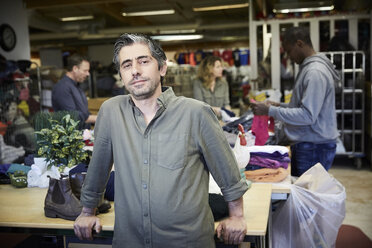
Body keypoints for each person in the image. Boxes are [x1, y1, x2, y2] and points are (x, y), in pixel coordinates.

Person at [73, 33, 249, 247]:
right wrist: (87, 211)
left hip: (186, 241)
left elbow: (228, 174)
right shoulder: (111, 112)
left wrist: (237, 217)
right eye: (126, 65)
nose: (135, 70)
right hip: (130, 241)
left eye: (143, 61)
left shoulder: (195, 113)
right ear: (121, 73)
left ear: (162, 68)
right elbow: (98, 168)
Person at [250, 27, 339, 177]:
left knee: (306, 195)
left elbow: (307, 115)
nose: (288, 56)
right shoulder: (308, 69)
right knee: (304, 191)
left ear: (299, 44)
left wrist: (269, 111)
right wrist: (279, 106)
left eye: (289, 51)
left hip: (313, 146)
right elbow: (303, 107)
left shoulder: (315, 72)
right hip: (310, 143)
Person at [52, 54, 97, 129]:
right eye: (85, 70)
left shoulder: (76, 86)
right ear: (75, 68)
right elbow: (72, 115)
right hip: (70, 138)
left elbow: (83, 112)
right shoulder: (62, 87)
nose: (88, 74)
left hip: (82, 134)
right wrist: (97, 118)